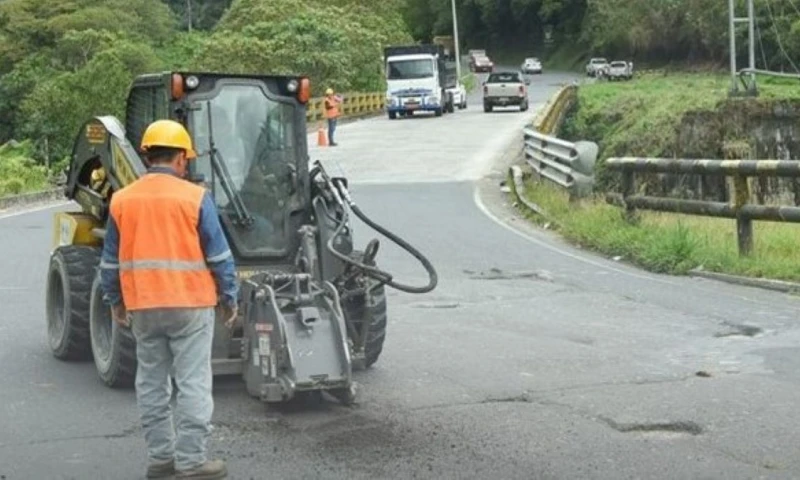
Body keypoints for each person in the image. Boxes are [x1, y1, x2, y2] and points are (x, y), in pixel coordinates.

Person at [99, 119, 238, 480]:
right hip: (190, 305)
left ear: (147, 156)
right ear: (180, 158)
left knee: (151, 383)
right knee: (192, 382)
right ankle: (191, 460)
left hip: (143, 306)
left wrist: (115, 300)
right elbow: (219, 255)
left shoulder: (122, 200)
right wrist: (229, 296)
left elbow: (109, 262)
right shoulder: (195, 197)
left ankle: (161, 458)